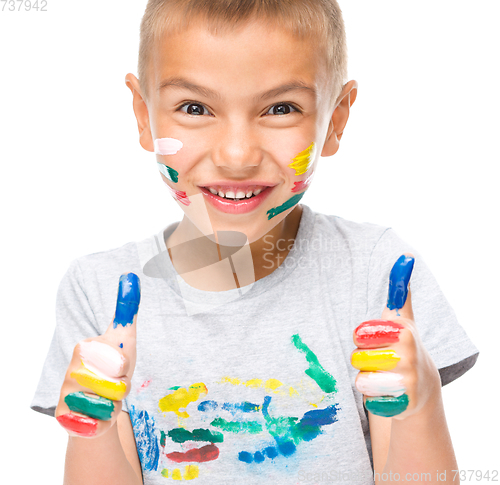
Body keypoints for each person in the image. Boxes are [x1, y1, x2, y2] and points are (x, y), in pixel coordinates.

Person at [31, 1, 478, 484]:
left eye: (281, 108)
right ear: (143, 115)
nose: (237, 155)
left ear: (336, 120)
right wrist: (90, 429)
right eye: (195, 108)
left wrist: (422, 402)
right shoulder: (98, 289)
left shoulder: (377, 272)